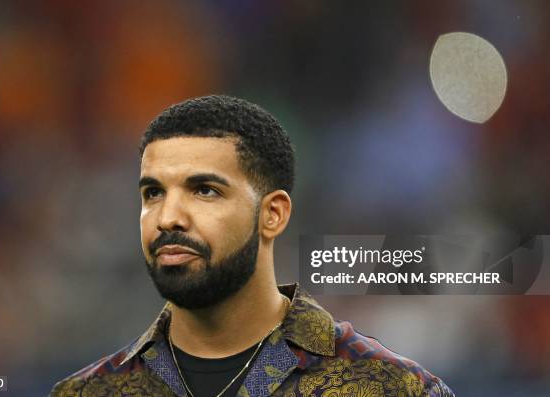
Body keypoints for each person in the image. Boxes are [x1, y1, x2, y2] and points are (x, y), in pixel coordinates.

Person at [49, 95, 455, 397]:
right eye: (153, 193)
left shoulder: (391, 390)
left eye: (204, 190)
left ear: (272, 214)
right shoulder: (89, 393)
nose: (168, 217)